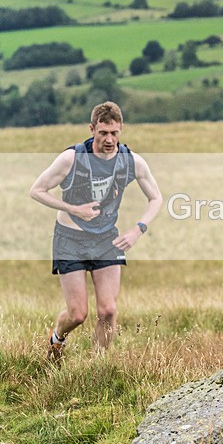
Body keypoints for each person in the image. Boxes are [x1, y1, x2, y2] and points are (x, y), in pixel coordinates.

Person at [30, 101, 162, 361]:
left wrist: (137, 230)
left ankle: (96, 366)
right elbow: (37, 190)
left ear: (121, 130)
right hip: (70, 238)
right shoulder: (72, 158)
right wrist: (73, 208)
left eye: (114, 133)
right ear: (92, 130)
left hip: (105, 239)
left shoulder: (132, 162)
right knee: (78, 314)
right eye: (103, 133)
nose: (109, 139)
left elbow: (156, 198)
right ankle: (57, 339)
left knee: (109, 310)